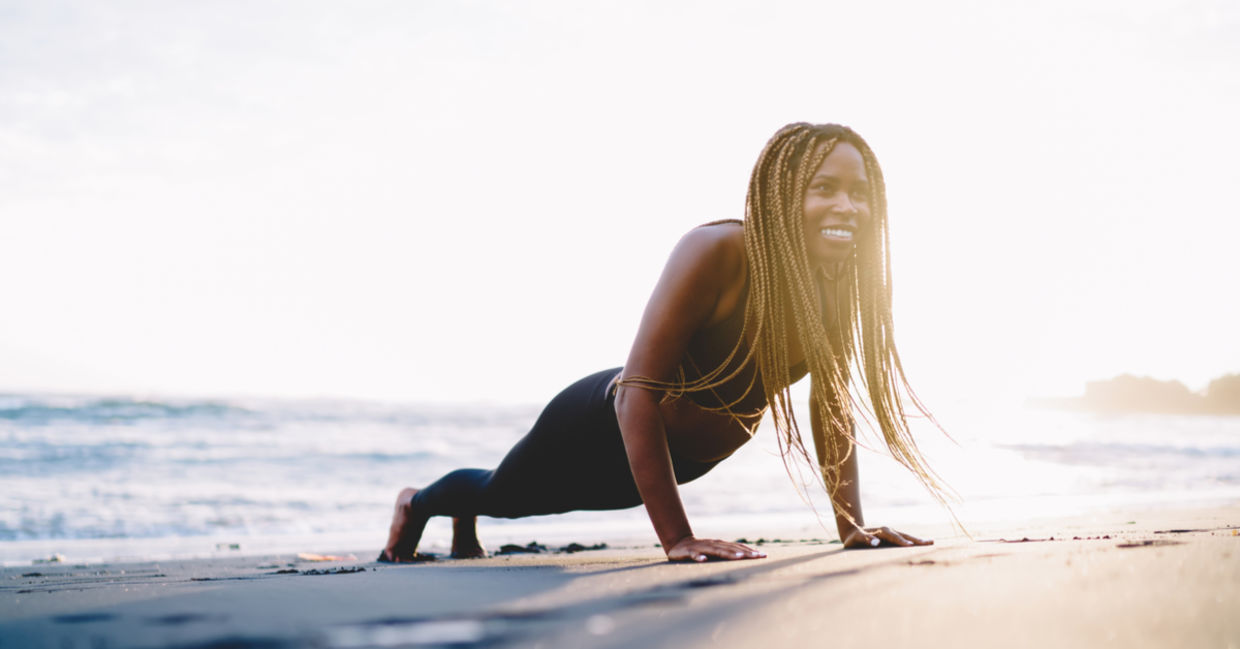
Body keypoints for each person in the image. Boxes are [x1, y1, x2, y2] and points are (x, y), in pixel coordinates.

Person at [380, 122, 948, 563]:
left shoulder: (837, 285)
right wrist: (677, 538)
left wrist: (851, 526)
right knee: (507, 496)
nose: (847, 206)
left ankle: (466, 512)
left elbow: (830, 406)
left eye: (860, 192)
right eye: (824, 188)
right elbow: (635, 393)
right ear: (781, 194)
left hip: (681, 463)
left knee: (515, 502)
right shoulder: (720, 252)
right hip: (598, 429)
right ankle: (418, 503)